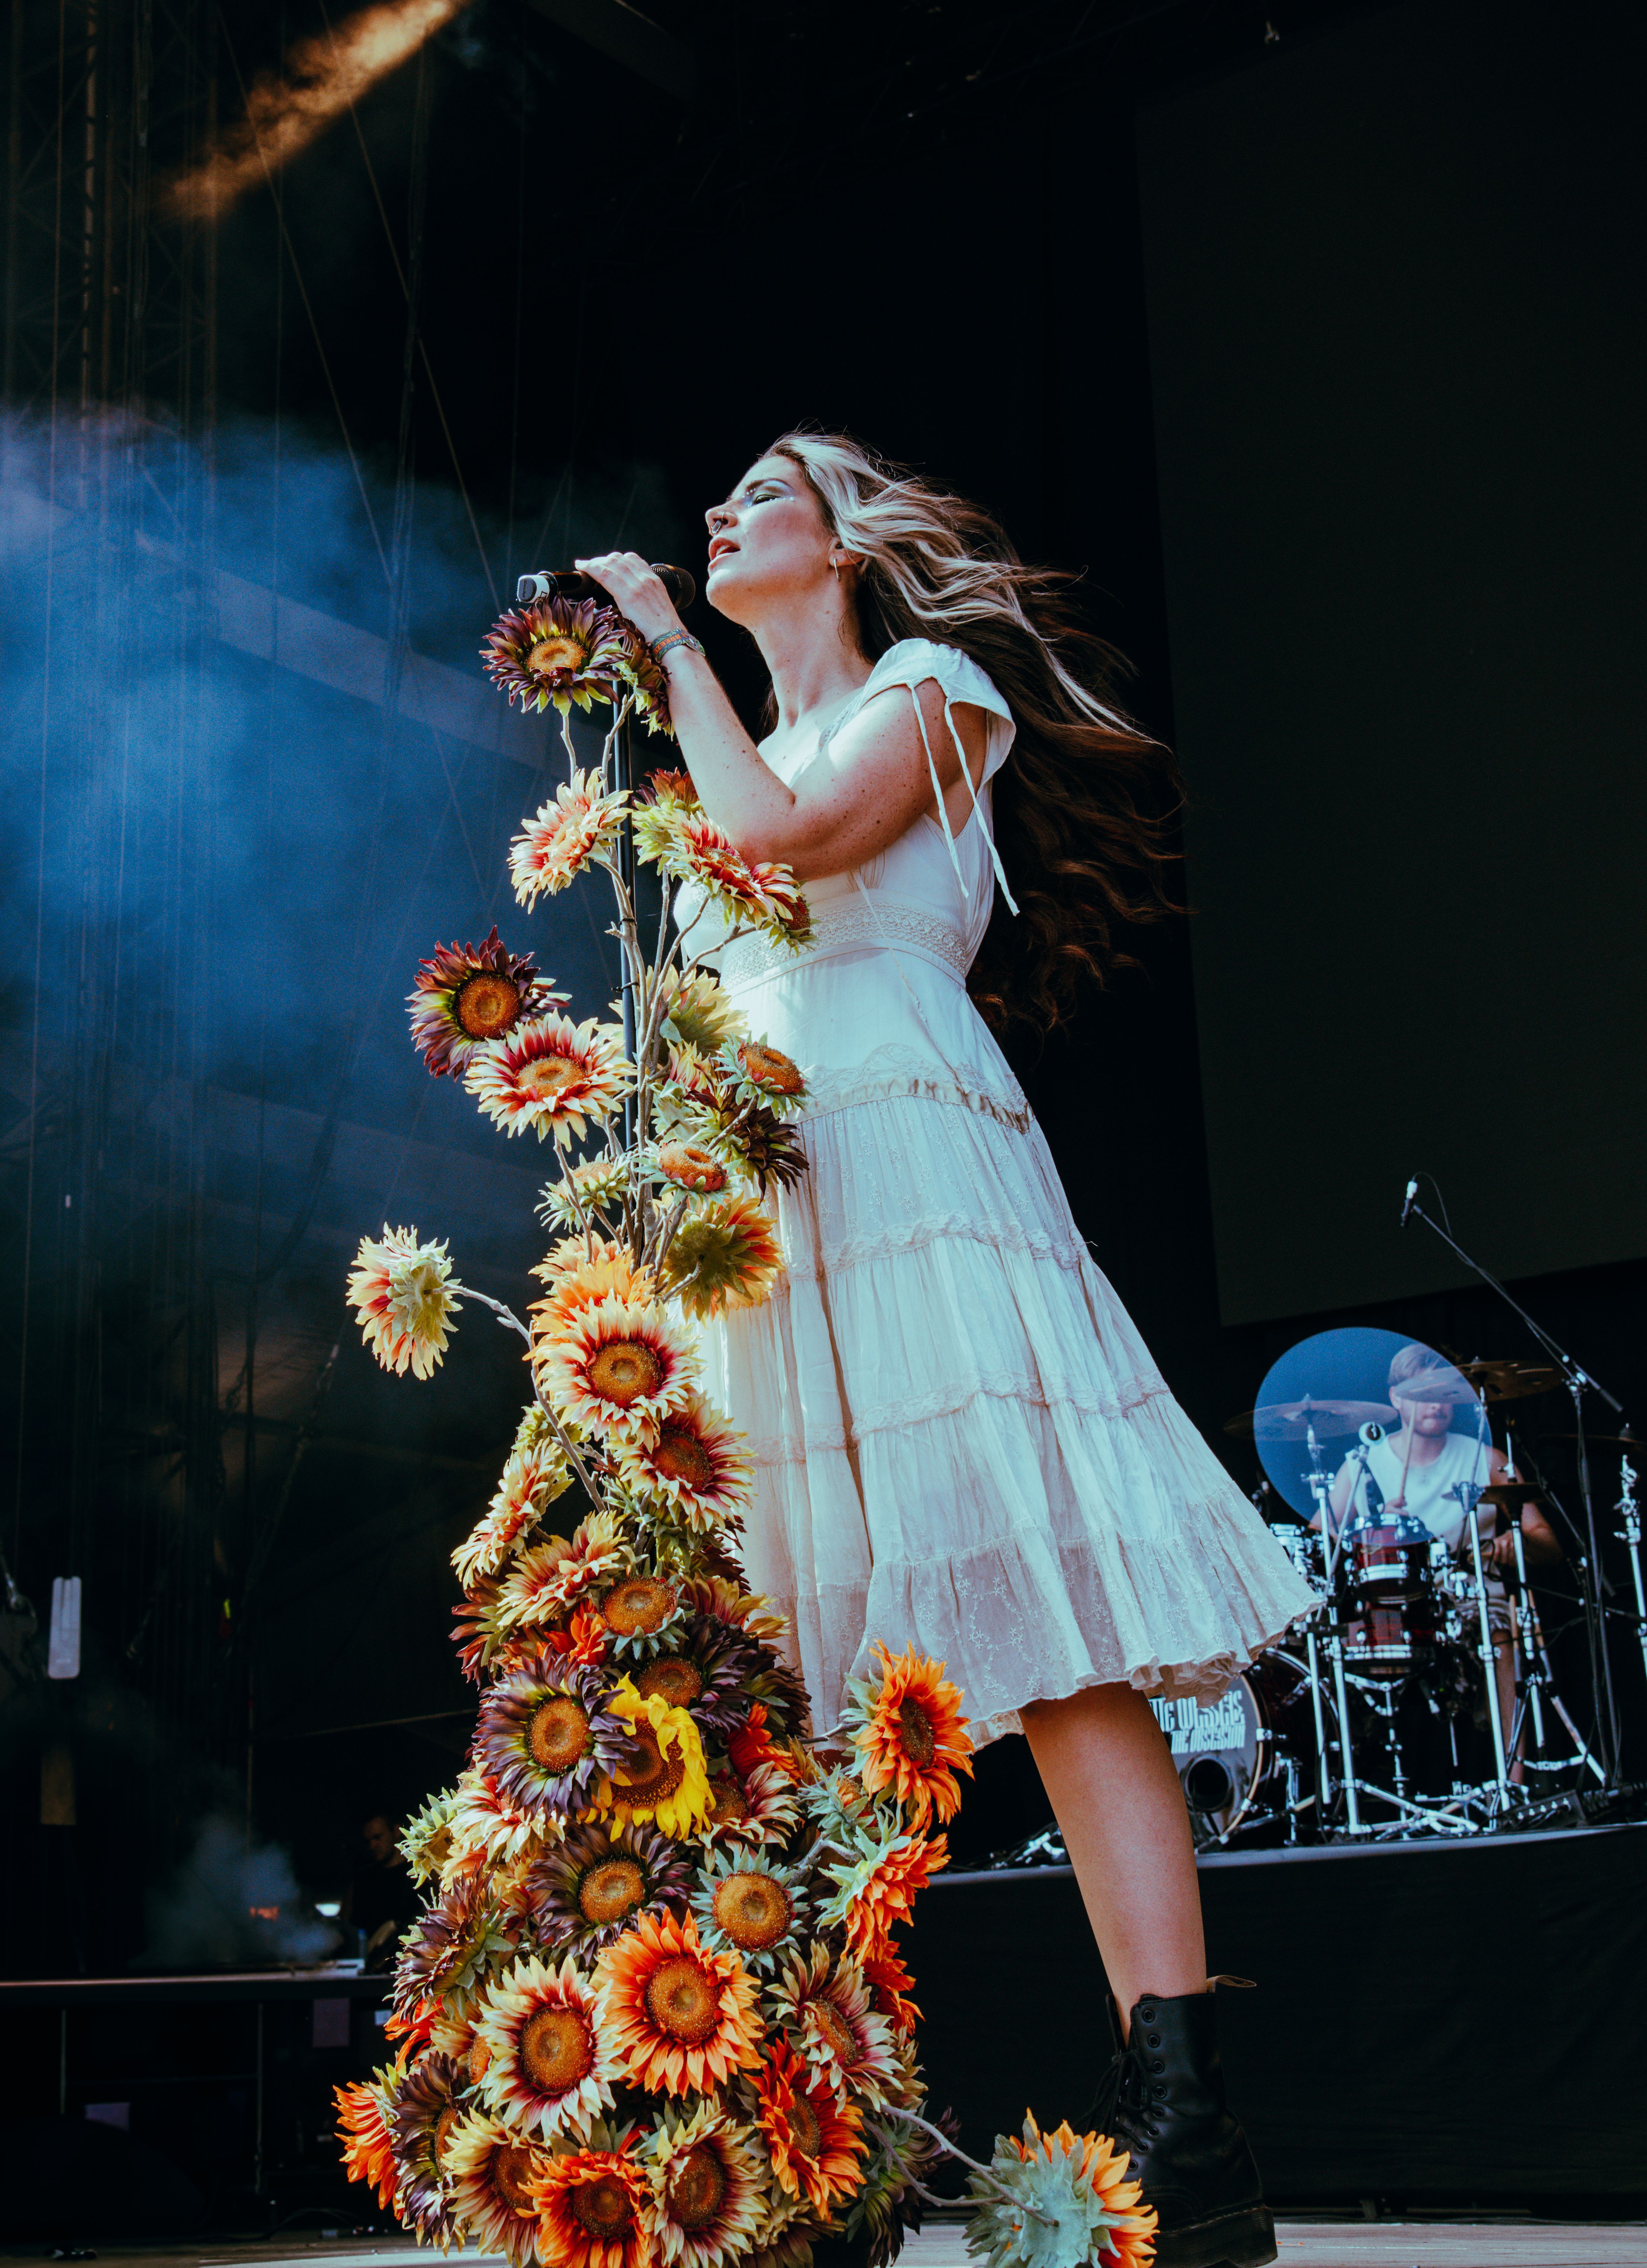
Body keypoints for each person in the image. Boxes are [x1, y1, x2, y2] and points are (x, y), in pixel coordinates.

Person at [577, 432, 1316, 2268]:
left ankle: (1185, 2115)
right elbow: (710, 943)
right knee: (796, 1657)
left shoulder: (932, 689)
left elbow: (792, 846)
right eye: (714, 509)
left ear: (845, 540)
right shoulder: (721, 751)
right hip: (765, 1199)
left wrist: (666, 641)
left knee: (1055, 1629)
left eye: (760, 494)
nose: (720, 517)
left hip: (912, 1154)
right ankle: (849, 2124)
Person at [1322, 1343, 1561, 1779]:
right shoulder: (1363, 1464)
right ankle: (1359, 1791)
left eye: (1446, 1392)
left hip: (1473, 1601)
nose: (1436, 1402)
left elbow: (1547, 1542)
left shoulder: (1485, 1460)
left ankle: (1515, 1784)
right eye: (1422, 1391)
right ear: (1395, 1399)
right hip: (1391, 1605)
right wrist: (1371, 1534)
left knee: (1499, 1632)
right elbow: (1322, 1537)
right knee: (1338, 1642)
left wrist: (1513, 1545)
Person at [340, 1809, 421, 1970]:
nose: (372, 1846)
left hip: (409, 1971)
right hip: (368, 1973)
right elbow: (344, 1928)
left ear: (397, 1831)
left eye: (378, 1838)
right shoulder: (361, 1879)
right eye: (368, 1841)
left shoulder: (418, 1874)